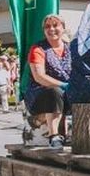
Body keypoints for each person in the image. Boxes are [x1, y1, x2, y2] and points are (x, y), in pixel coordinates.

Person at [25, 14, 71, 147]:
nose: (51, 29)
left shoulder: (71, 47)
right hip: (40, 93)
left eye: (55, 25)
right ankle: (54, 135)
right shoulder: (38, 49)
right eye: (47, 27)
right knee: (54, 92)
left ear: (63, 28)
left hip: (68, 92)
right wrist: (63, 85)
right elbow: (39, 76)